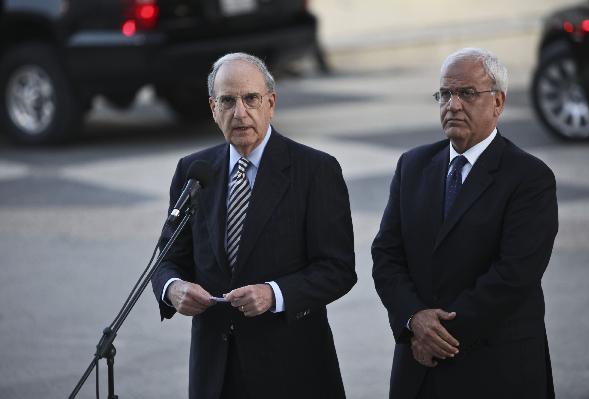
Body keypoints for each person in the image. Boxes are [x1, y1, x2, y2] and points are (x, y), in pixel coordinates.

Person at [151, 52, 356, 399]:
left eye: (251, 99)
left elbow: (337, 269)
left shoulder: (315, 171)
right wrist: (172, 288)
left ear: (271, 103)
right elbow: (167, 257)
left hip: (292, 369)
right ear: (213, 108)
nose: (240, 112)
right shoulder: (194, 171)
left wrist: (274, 294)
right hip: (215, 370)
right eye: (228, 101)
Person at [372, 48, 558, 399]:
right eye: (445, 93)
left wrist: (436, 334)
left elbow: (514, 274)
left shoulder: (529, 177)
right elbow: (386, 254)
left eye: (467, 93)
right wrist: (414, 319)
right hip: (419, 368)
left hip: (496, 365)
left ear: (498, 102)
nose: (453, 104)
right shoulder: (413, 166)